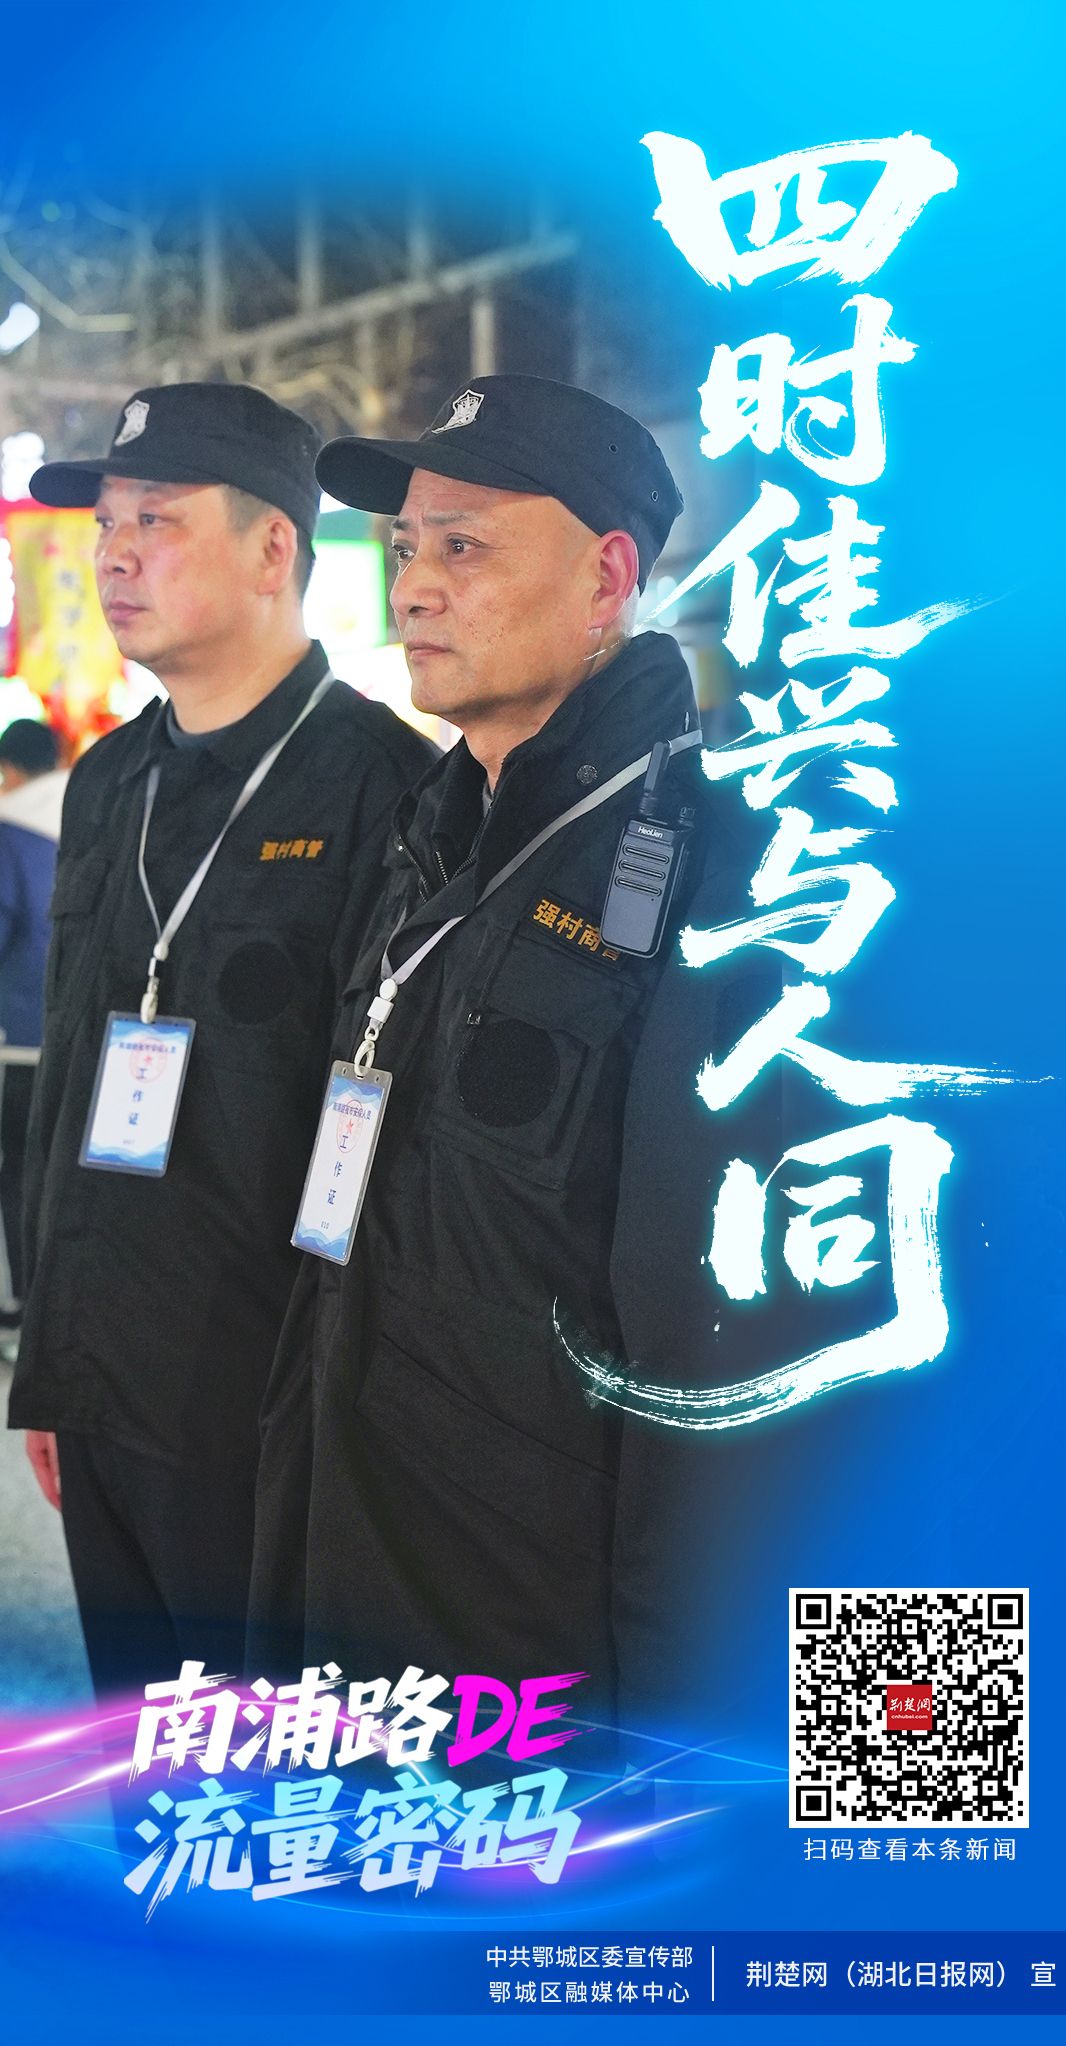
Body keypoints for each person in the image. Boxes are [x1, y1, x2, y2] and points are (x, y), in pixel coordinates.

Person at [249, 375, 782, 1739]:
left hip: (538, 1647)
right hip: (351, 1575)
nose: (413, 588)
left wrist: (688, 1744)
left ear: (607, 577)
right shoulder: (429, 842)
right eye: (403, 548)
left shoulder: (727, 878)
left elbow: (733, 1368)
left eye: (466, 546)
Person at [6, 381, 434, 1697]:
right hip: (102, 1382)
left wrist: (344, 1416)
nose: (114, 554)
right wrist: (51, 1366)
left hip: (262, 1398)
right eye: (106, 524)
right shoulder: (110, 784)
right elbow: (70, 1082)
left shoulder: (387, 788)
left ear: (271, 549)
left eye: (156, 519)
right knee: (143, 1743)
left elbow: (396, 1136)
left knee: (263, 1755)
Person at [0, 719, 68, 1346]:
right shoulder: (99, 809)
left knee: (17, 1173)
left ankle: (19, 1309)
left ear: (8, 771)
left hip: (16, 1036)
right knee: (59, 1169)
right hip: (81, 1034)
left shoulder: (9, 831)